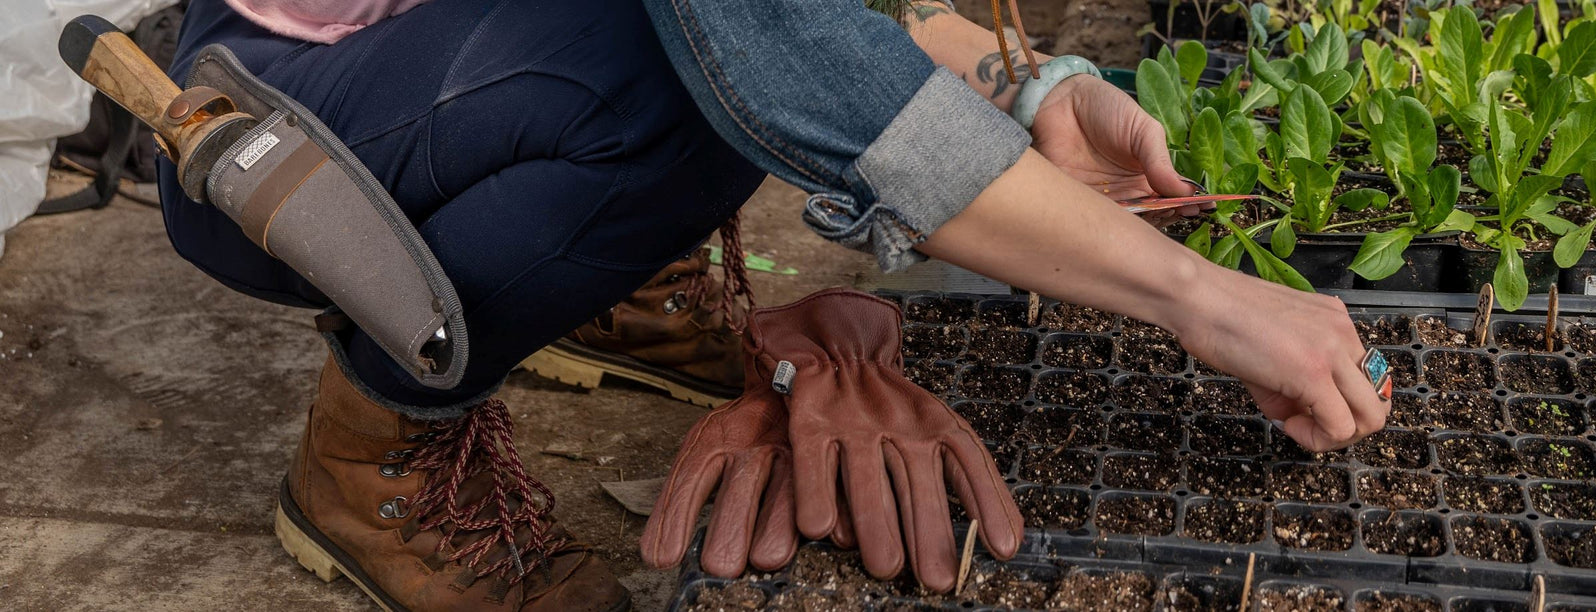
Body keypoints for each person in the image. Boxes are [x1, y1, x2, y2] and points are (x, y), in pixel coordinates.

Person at [156, 0, 1392, 609]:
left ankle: (595, 287)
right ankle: (371, 450)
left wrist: (1036, 90)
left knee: (703, 65)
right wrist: (1195, 295)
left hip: (455, 42)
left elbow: (851, 16)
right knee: (680, 90)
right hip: (272, 127)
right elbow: (779, 48)